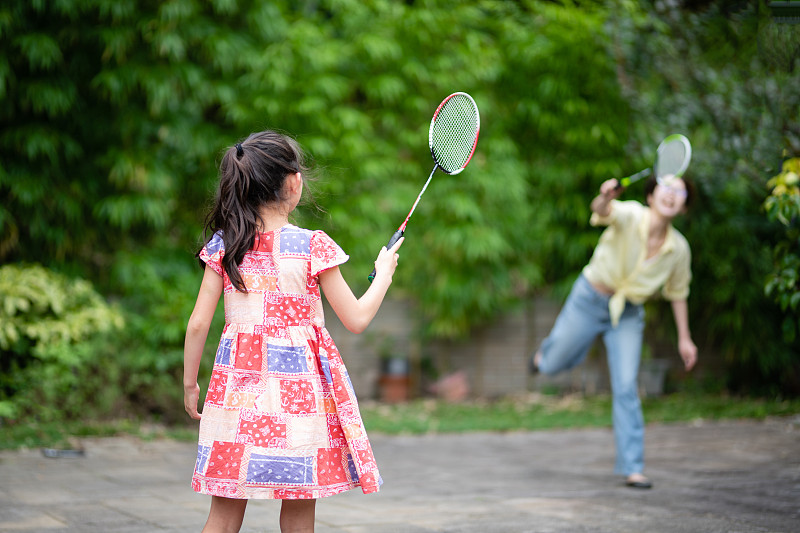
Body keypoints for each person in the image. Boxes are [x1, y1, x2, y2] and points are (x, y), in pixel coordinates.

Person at [183, 130, 404, 533]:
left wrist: (190, 385)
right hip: (301, 397)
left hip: (238, 394)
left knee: (225, 513)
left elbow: (198, 323)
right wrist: (384, 275)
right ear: (293, 183)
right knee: (299, 508)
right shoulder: (312, 246)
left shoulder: (226, 245)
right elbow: (356, 318)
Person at [529, 174, 698, 490]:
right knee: (553, 365)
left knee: (625, 386)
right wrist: (605, 196)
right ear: (650, 195)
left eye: (681, 190)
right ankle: (544, 356)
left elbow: (678, 292)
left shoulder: (679, 250)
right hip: (589, 299)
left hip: (628, 313)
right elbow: (602, 211)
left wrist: (684, 337)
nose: (672, 194)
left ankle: (633, 467)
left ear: (685, 206)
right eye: (667, 186)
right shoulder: (631, 213)